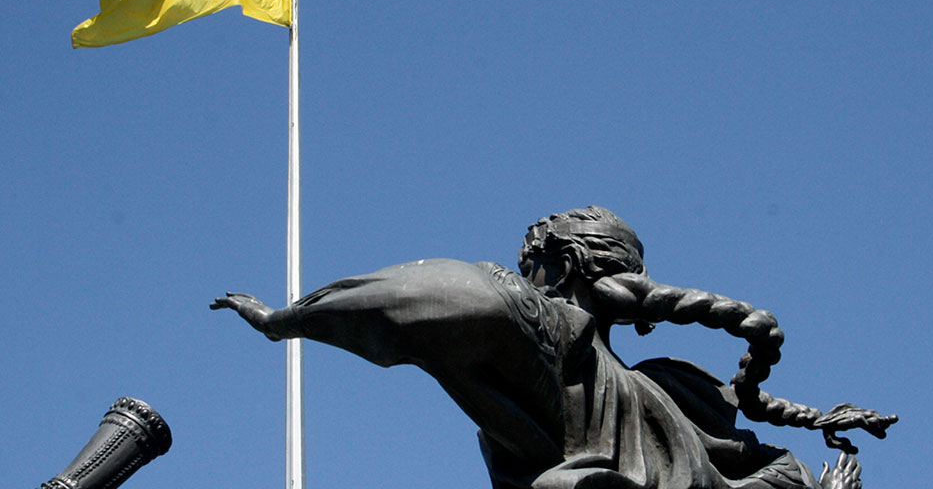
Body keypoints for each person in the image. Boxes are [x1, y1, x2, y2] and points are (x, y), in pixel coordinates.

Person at [212, 206, 895, 489]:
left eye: (529, 260)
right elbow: (757, 425)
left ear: (562, 266)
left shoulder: (560, 340)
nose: (522, 272)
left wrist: (289, 320)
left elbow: (454, 296)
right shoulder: (674, 390)